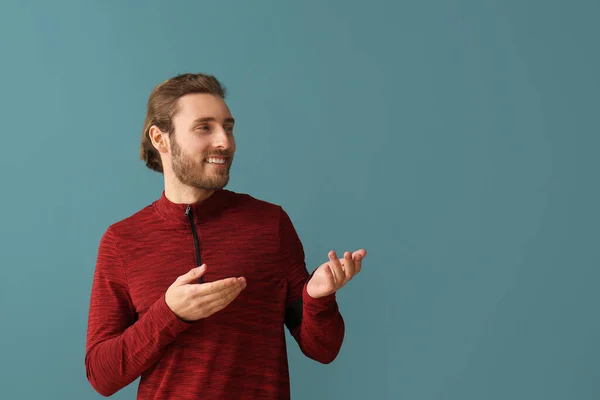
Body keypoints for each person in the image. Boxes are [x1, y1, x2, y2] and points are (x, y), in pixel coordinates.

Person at [84, 73, 367, 399]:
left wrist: (317, 299)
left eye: (228, 127)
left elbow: (323, 349)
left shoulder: (270, 224)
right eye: (204, 127)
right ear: (161, 139)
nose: (225, 142)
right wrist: (170, 313)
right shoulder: (122, 240)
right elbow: (102, 375)